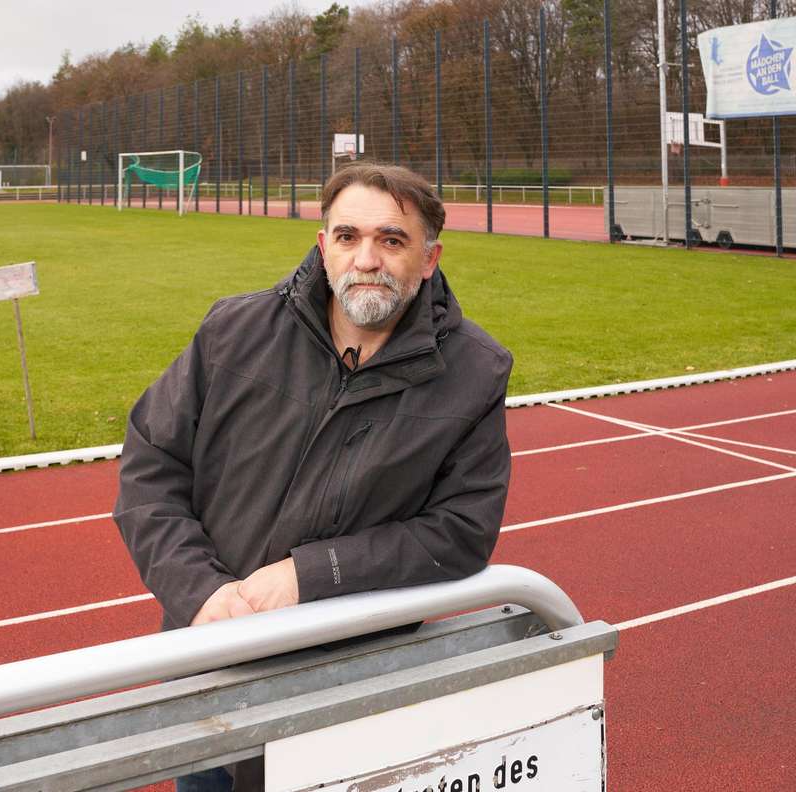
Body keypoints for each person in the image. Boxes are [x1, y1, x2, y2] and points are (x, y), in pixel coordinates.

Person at [115, 161, 513, 791]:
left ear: (429, 258)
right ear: (323, 246)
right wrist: (199, 591)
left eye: (392, 239)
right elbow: (151, 464)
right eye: (348, 236)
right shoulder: (234, 330)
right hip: (208, 666)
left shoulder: (476, 371)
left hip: (347, 690)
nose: (367, 259)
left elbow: (461, 531)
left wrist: (311, 574)